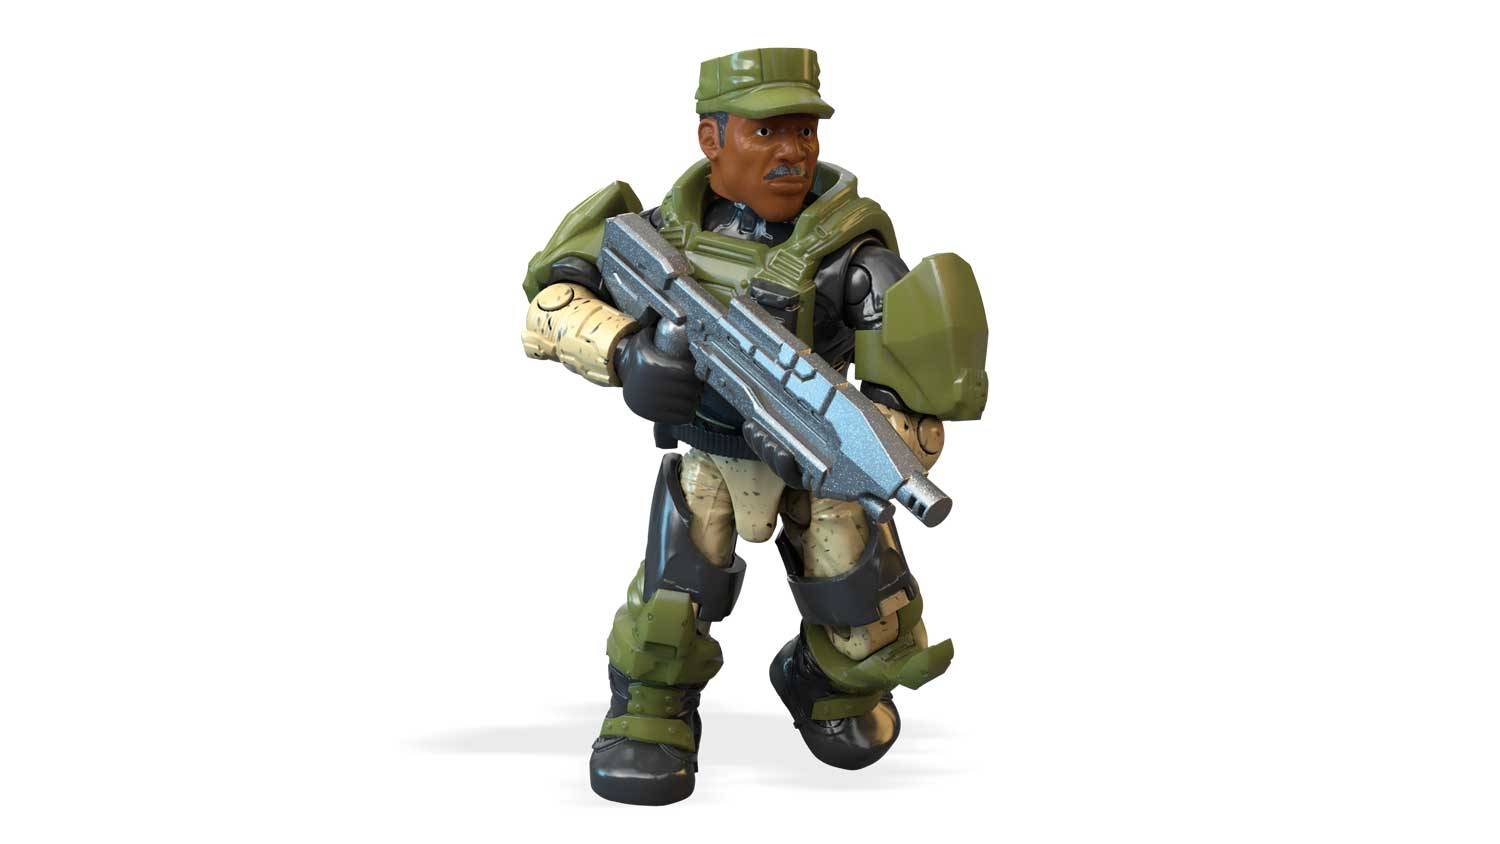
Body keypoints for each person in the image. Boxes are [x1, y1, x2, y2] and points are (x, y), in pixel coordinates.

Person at [520, 47, 989, 805]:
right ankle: (650, 711)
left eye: (804, 131)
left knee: (867, 611)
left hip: (822, 463)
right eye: (766, 131)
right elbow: (550, 304)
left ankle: (824, 686)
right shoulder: (657, 232)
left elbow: (916, 407)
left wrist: (873, 443)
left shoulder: (853, 260)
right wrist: (628, 353)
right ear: (712, 139)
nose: (791, 152)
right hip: (711, 453)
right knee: (676, 597)